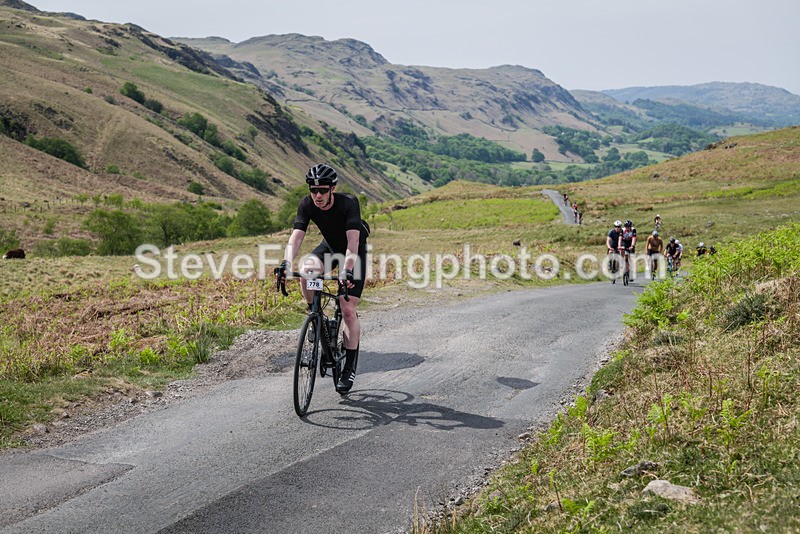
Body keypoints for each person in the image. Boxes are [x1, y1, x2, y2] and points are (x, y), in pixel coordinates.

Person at [275, 163, 370, 393]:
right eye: (313, 190)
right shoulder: (307, 204)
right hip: (329, 247)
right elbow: (296, 237)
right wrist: (286, 263)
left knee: (347, 308)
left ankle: (348, 367)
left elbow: (352, 244)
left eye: (322, 190)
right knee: (306, 270)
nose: (317, 195)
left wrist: (346, 271)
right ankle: (314, 314)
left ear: (332, 189)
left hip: (353, 252)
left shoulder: (348, 203)